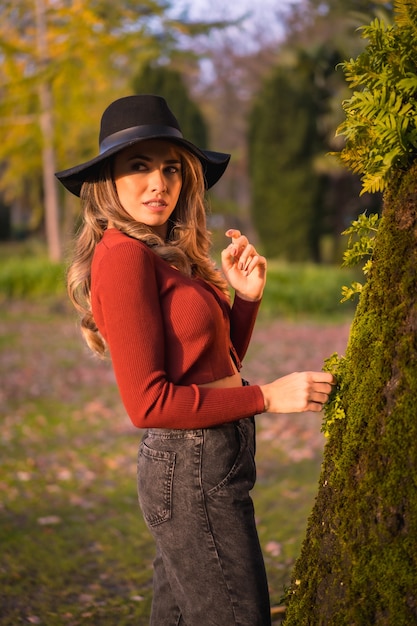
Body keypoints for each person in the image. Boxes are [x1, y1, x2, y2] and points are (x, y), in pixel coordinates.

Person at [56, 94, 334, 626]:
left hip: (210, 457)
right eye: (138, 167)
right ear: (108, 181)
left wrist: (245, 300)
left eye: (170, 169)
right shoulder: (121, 257)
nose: (158, 182)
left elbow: (212, 365)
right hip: (189, 466)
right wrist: (268, 398)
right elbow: (148, 404)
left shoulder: (165, 256)